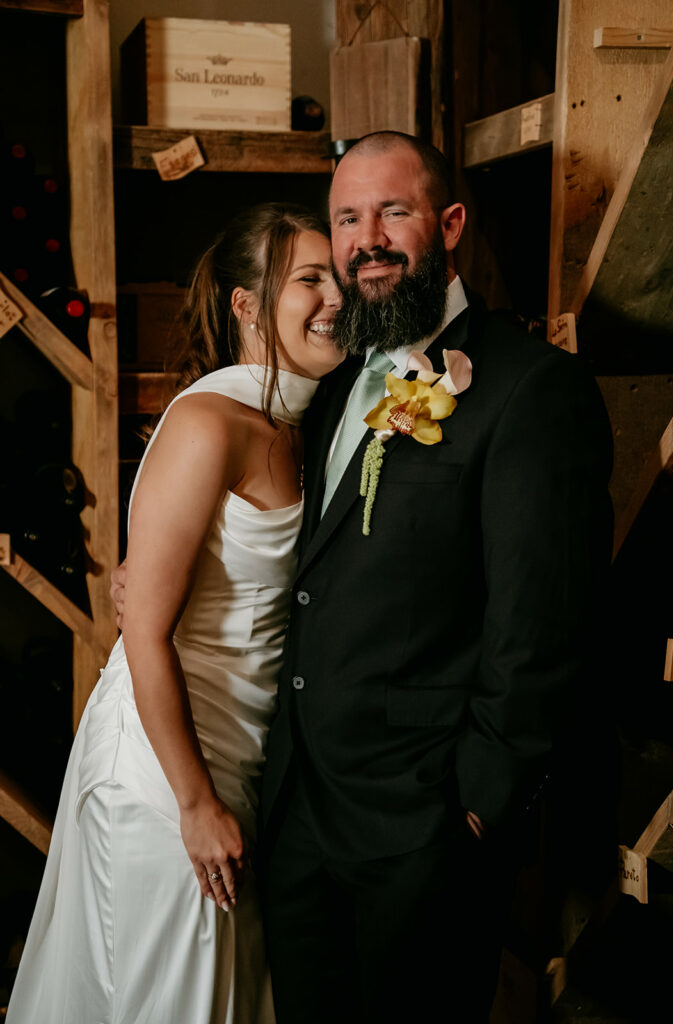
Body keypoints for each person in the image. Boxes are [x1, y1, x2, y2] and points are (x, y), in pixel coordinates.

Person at [257, 132, 614, 1023]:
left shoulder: (530, 389)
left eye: (392, 211)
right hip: (299, 813)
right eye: (346, 218)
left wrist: (477, 809)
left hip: (425, 830)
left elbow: (542, 621)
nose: (366, 238)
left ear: (448, 223)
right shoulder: (331, 384)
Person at [6, 203, 343, 1024]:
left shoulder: (302, 424)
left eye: (336, 276)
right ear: (246, 305)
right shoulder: (207, 422)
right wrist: (193, 804)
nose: (335, 295)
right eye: (308, 279)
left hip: (242, 759)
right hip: (164, 772)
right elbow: (145, 628)